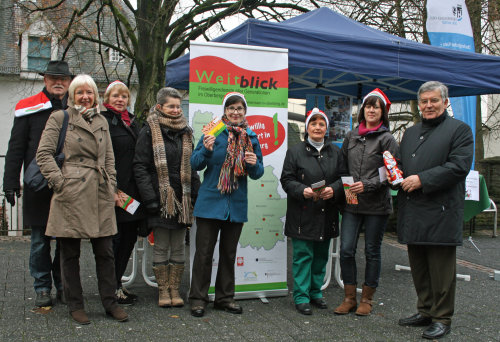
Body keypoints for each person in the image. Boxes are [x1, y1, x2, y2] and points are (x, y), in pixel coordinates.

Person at [36, 74, 128, 324]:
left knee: (106, 251)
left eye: (89, 92)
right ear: (72, 96)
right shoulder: (60, 118)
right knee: (69, 253)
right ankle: (76, 305)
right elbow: (43, 154)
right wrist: (60, 183)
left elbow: (109, 157)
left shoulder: (101, 121)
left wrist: (111, 184)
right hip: (71, 191)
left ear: (95, 96)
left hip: (99, 191)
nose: (85, 97)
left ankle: (109, 302)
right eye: (80, 92)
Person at [395, 81, 473, 340]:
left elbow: (458, 167)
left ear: (445, 102)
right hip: (414, 210)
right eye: (424, 101)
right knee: (418, 266)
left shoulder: (459, 130)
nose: (428, 105)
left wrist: (422, 180)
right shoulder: (410, 133)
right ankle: (425, 310)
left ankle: (442, 317)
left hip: (440, 211)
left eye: (434, 101)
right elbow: (401, 165)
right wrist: (391, 171)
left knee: (441, 270)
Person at [3, 60, 72, 307]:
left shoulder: (76, 107)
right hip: (38, 184)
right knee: (40, 241)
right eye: (53, 78)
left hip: (68, 185)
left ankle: (64, 284)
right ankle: (42, 287)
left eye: (63, 79)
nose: (58, 82)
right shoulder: (28, 107)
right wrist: (10, 182)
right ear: (45, 80)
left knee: (66, 241)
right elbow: (16, 147)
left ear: (69, 82)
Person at [188, 92, 264, 318]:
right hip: (210, 203)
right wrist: (205, 149)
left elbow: (258, 173)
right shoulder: (213, 131)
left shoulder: (251, 136)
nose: (235, 112)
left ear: (245, 111)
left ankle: (224, 298)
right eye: (231, 108)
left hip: (236, 205)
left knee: (229, 254)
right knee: (203, 254)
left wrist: (253, 164)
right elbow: (195, 163)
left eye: (240, 108)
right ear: (224, 111)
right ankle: (198, 299)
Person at [334, 89, 399, 316]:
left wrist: (368, 185)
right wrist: (347, 188)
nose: (371, 110)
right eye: (368, 106)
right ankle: (349, 297)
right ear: (363, 110)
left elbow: (390, 172)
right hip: (352, 202)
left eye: (376, 107)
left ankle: (367, 300)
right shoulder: (351, 136)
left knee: (372, 251)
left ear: (383, 112)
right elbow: (342, 167)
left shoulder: (387, 138)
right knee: (346, 250)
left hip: (377, 205)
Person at [134, 87, 199, 308]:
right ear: (160, 107)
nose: (175, 110)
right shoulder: (149, 130)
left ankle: (175, 288)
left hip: (183, 198)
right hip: (160, 199)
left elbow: (193, 167)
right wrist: (150, 198)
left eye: (178, 106)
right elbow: (140, 167)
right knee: (161, 245)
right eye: (171, 106)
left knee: (179, 246)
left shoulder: (187, 132)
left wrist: (195, 195)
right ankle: (163, 290)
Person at [280, 108, 345, 315]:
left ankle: (316, 293)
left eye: (321, 124)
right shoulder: (295, 151)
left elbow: (344, 179)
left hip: (327, 212)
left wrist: (333, 190)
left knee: (320, 256)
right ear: (307, 127)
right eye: (313, 123)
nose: (317, 127)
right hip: (302, 213)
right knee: (302, 256)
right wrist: (303, 190)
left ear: (327, 129)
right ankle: (301, 296)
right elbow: (286, 180)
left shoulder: (336, 152)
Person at [101, 80, 145, 305]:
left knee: (128, 240)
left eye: (124, 96)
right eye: (116, 96)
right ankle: (110, 288)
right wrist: (112, 189)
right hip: (114, 193)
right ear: (107, 99)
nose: (120, 100)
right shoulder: (103, 122)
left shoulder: (133, 122)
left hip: (133, 194)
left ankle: (117, 284)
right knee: (114, 242)